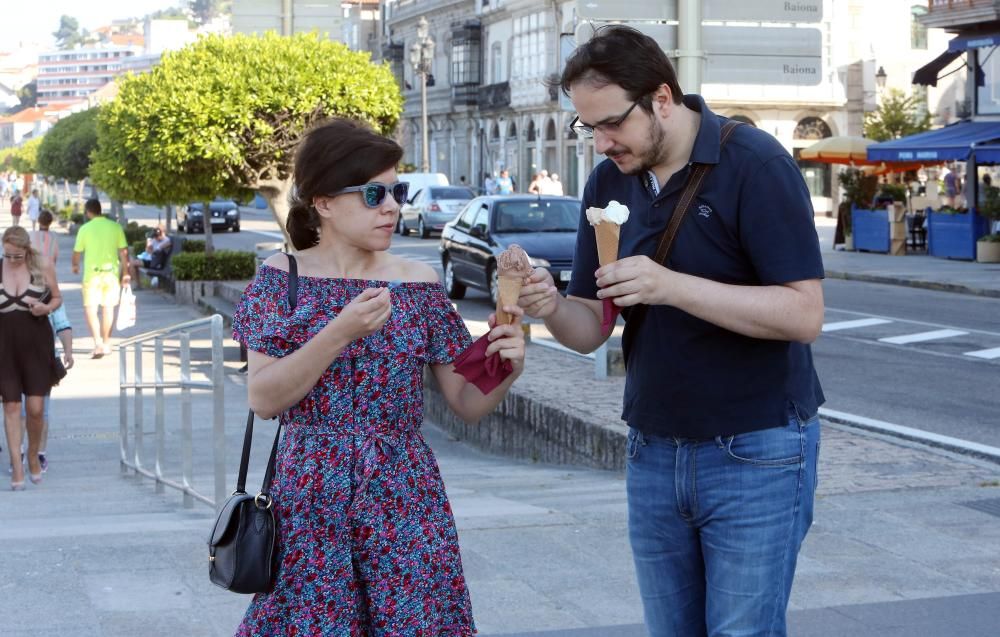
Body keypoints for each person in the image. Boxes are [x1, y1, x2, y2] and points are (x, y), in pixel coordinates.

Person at [518, 26, 824, 637]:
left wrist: (669, 285)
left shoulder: (755, 163)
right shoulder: (607, 182)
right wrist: (549, 303)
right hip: (652, 447)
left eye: (611, 124)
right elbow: (588, 328)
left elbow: (804, 315)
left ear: (662, 98)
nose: (601, 143)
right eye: (588, 128)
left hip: (755, 446)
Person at [232, 117, 526, 635]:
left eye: (398, 191)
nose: (393, 207)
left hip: (403, 490)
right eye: (374, 194)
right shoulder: (282, 279)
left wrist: (507, 366)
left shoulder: (420, 285)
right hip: (310, 494)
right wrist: (339, 332)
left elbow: (466, 401)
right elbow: (263, 397)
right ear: (323, 202)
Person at [1, 227, 63, 490]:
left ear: (27, 250)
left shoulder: (42, 266)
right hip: (3, 347)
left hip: (37, 345)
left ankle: (34, 455)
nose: (12, 260)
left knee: (36, 410)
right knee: (11, 406)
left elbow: (58, 298)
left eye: (17, 256)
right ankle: (17, 466)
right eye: (7, 255)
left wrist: (46, 307)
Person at [71, 198, 129, 358]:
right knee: (108, 309)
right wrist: (126, 273)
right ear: (100, 210)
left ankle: (97, 343)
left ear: (88, 212)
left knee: (90, 308)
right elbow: (124, 252)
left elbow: (77, 252)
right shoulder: (115, 227)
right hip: (111, 275)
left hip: (92, 275)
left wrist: (75, 266)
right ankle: (107, 343)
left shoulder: (85, 229)